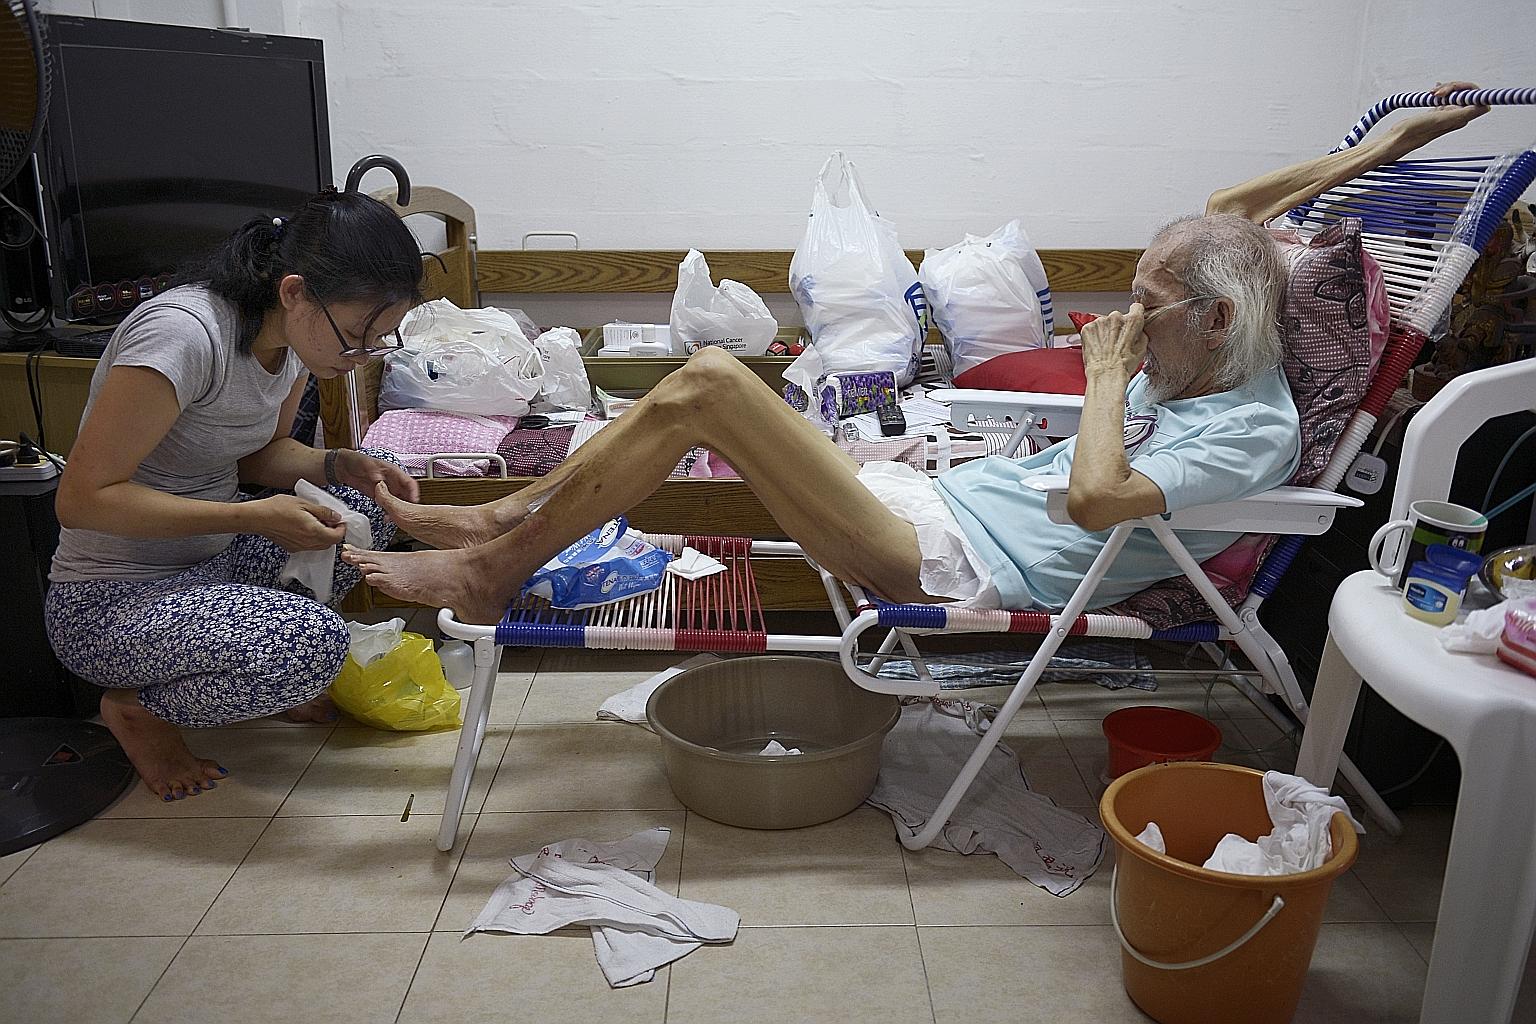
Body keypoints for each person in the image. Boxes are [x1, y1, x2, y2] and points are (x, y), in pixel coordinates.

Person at [343, 84, 1490, 624]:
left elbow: (1099, 499)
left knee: (707, 385)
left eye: (1148, 303)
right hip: (935, 504)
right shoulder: (1201, 337)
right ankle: (505, 520)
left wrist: (1099, 374)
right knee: (700, 395)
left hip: (962, 567)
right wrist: (1390, 146)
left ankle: (497, 566)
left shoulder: (1247, 419)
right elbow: (1229, 210)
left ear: (1216, 320)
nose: (1128, 319)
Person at [46, 188, 424, 801]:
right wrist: (250, 516)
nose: (360, 357)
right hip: (109, 601)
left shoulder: (291, 343)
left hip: (211, 566)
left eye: (378, 339)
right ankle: (139, 708)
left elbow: (258, 455)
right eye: (356, 335)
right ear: (295, 292)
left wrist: (340, 463)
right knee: (314, 647)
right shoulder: (183, 335)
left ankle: (258, 662)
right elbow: (83, 498)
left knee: (367, 518)